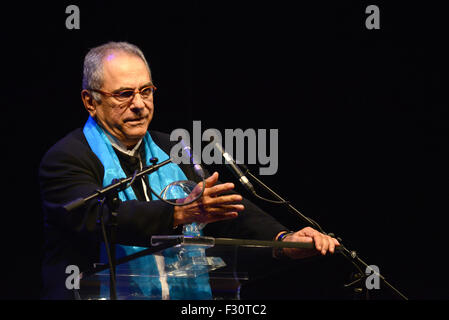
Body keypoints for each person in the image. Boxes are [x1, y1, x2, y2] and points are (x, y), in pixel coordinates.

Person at [38, 41, 339, 300]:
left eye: (146, 91)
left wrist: (282, 240)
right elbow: (95, 216)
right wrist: (178, 213)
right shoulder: (67, 157)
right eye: (124, 94)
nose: (140, 105)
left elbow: (223, 208)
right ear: (90, 101)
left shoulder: (172, 148)